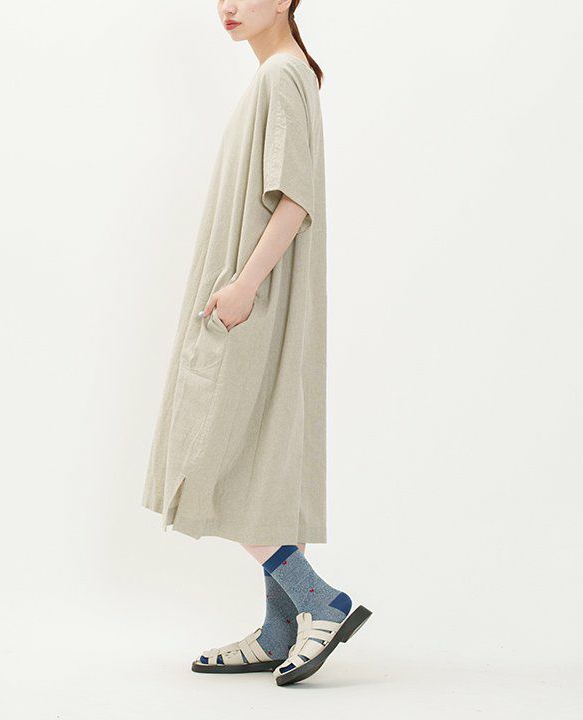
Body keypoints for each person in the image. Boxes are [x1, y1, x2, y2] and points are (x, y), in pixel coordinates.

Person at [142, 0, 371, 686]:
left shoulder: (280, 76)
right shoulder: (287, 74)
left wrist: (243, 286)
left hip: (254, 299)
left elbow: (294, 201)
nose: (228, 6)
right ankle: (280, 629)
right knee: (264, 458)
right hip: (259, 298)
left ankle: (318, 602)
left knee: (217, 461)